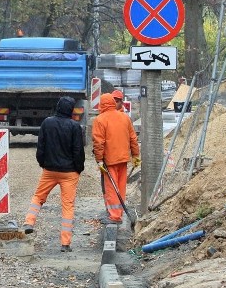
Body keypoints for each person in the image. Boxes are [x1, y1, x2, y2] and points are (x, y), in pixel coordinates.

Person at [22, 96, 85, 252]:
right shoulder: (74, 126)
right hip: (69, 172)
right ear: (71, 110)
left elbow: (40, 148)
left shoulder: (47, 123)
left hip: (49, 171)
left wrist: (43, 163)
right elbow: (78, 151)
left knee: (38, 197)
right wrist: (78, 168)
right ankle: (65, 244)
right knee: (67, 206)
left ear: (57, 107)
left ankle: (29, 222)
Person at [92, 92, 140, 225]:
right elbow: (133, 139)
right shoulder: (125, 118)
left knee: (111, 188)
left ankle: (114, 216)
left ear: (102, 104)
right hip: (123, 159)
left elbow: (98, 142)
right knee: (120, 186)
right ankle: (118, 213)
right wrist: (136, 156)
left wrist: (99, 160)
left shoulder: (100, 120)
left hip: (110, 160)